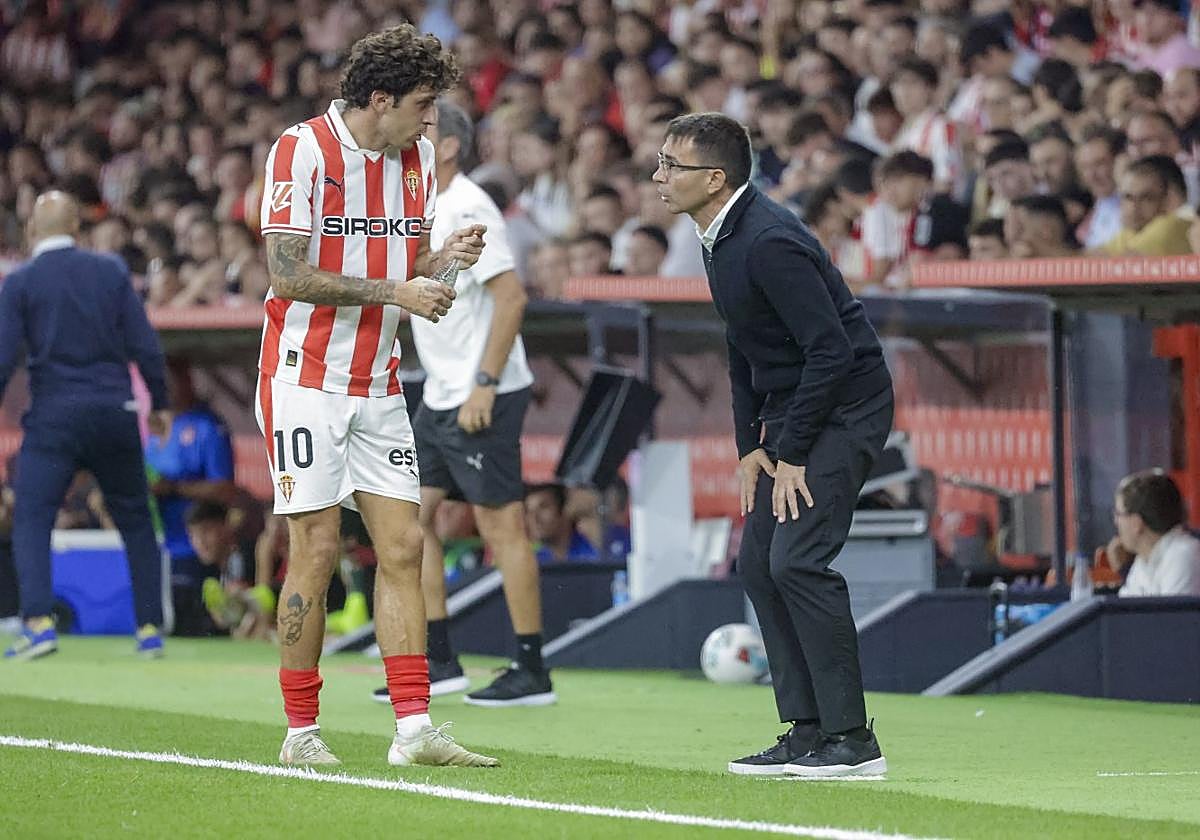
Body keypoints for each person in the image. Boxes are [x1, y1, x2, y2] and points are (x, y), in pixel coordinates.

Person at [257, 25, 495, 769]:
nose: (433, 124)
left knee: (405, 545)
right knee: (318, 549)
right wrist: (397, 287)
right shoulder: (302, 151)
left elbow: (398, 255)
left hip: (379, 382)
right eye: (423, 106)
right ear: (379, 99)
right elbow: (288, 274)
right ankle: (300, 733)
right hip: (303, 377)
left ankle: (414, 729)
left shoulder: (416, 157)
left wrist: (440, 261)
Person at [654, 113, 893, 778]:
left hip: (846, 404)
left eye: (673, 164)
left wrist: (792, 453)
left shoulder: (767, 241)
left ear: (715, 177)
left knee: (799, 563)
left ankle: (853, 740)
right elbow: (742, 343)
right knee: (760, 564)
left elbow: (832, 350)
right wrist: (748, 446)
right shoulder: (719, 235)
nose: (659, 175)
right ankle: (808, 730)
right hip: (794, 411)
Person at [365, 100, 550, 708]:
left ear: (445, 146)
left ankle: (531, 669)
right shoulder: (421, 205)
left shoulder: (469, 205)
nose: (406, 136)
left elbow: (513, 298)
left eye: (422, 127)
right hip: (441, 393)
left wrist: (485, 384)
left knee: (502, 527)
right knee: (412, 521)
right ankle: (439, 660)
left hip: (480, 392)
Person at [0, 191, 169, 660]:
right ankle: (150, 628)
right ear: (78, 229)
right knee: (135, 518)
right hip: (115, 411)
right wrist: (159, 403)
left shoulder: (20, 283)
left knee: (32, 517)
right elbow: (145, 344)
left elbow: (3, 358)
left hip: (53, 416)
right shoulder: (111, 271)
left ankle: (37, 623)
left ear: (33, 231)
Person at [145, 361, 237, 637]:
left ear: (187, 382)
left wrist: (173, 488)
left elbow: (224, 489)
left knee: (193, 626)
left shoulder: (205, 427)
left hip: (195, 549)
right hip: (158, 545)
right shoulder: (156, 431)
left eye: (170, 380)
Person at [1105, 471, 1200, 597]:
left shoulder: (1183, 556)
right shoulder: (1143, 562)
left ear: (1136, 523)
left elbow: (1172, 616)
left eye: (1118, 514)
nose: (1115, 522)